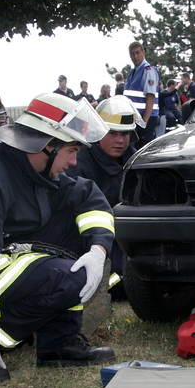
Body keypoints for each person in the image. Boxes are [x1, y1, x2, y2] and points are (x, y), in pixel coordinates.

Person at [0, 92, 117, 381]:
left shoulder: (32, 171)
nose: (75, 161)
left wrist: (98, 251)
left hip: (0, 261)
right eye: (71, 150)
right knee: (70, 278)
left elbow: (88, 197)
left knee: (78, 224)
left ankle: (59, 344)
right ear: (46, 145)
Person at [66, 95, 144, 295]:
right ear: (98, 132)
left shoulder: (136, 161)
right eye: (113, 133)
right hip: (93, 239)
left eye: (125, 134)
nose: (120, 140)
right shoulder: (79, 163)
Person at [124, 41, 160, 147]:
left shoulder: (147, 70)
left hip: (145, 119)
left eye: (137, 53)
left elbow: (150, 97)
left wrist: (144, 122)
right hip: (134, 118)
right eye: (132, 53)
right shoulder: (132, 72)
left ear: (143, 52)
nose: (135, 56)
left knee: (142, 149)